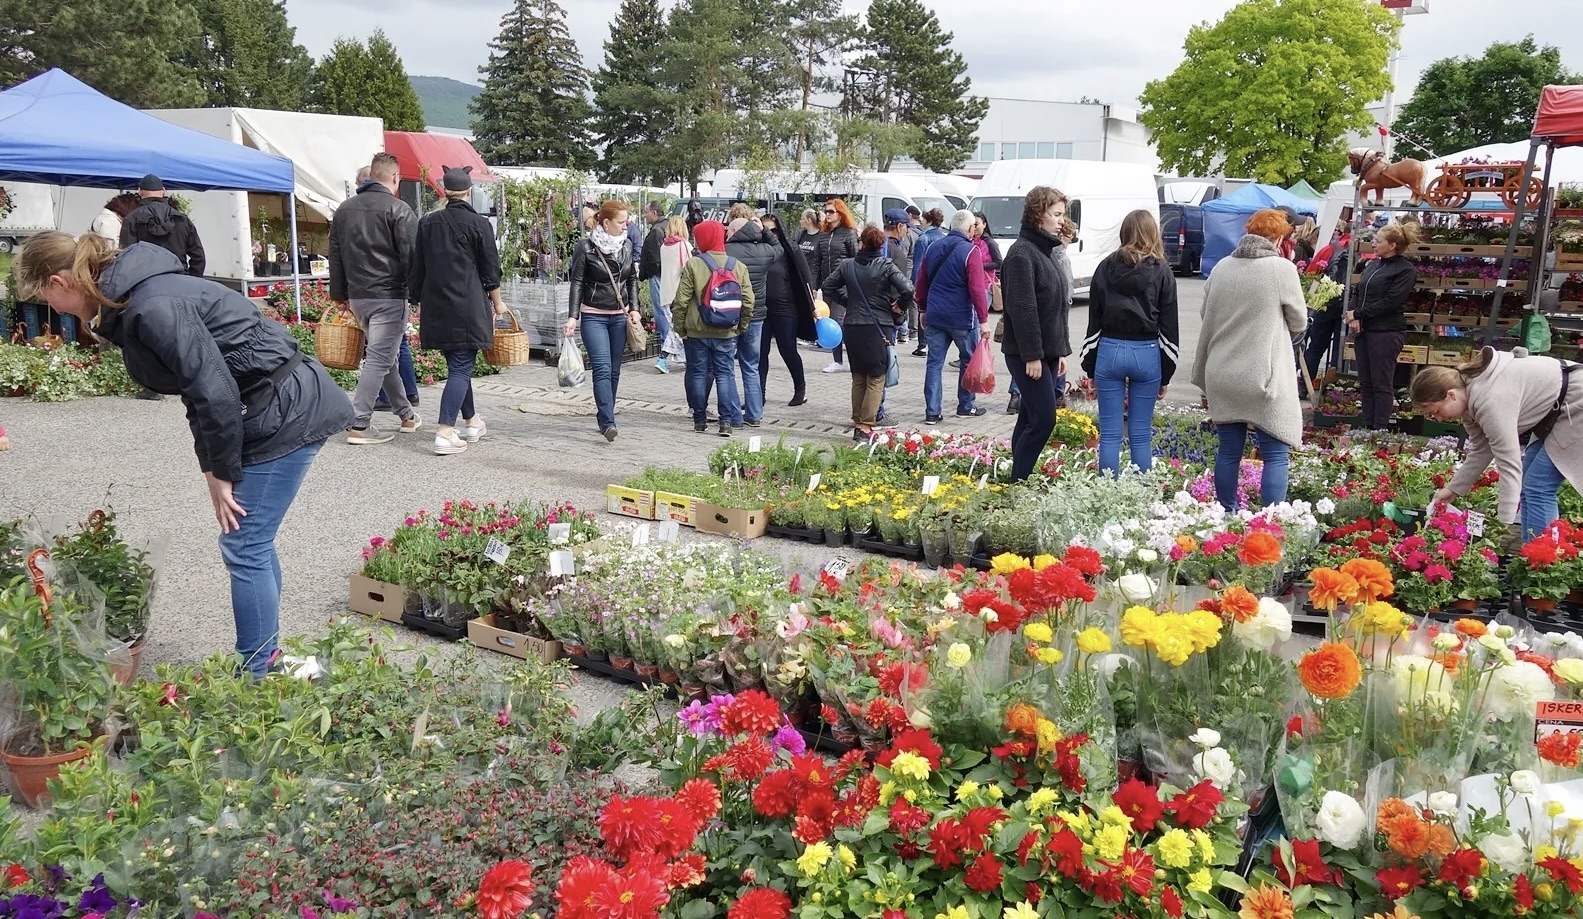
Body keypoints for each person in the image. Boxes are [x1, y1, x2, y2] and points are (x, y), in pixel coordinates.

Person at [17, 231, 353, 678]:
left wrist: (220, 470)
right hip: (262, 405)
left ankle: (255, 677)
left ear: (60, 282)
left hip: (286, 407)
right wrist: (213, 465)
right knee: (251, 541)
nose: (50, 308)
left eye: (44, 296)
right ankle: (266, 663)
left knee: (245, 544)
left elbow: (210, 390)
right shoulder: (131, 296)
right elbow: (197, 390)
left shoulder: (151, 305)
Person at [1192, 208, 1307, 511]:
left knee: (1228, 451)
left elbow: (1206, 313)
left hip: (1222, 372)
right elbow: (1299, 320)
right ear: (1280, 236)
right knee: (1275, 454)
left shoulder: (1221, 268)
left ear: (1248, 231)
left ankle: (1228, 513)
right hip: (1263, 377)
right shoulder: (1281, 269)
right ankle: (1269, 524)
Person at [1415, 348, 1583, 541]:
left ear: (1451, 395)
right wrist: (1453, 489)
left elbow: (1509, 462)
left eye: (1434, 410)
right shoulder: (1468, 399)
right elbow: (1481, 449)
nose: (1436, 418)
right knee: (1530, 485)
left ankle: (1541, 561)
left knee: (1538, 486)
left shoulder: (1490, 401)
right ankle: (1531, 555)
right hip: (1556, 411)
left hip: (1576, 406)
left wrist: (1503, 523)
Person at [409, 166, 508, 456]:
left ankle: (472, 422)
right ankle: (444, 432)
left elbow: (417, 268)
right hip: (467, 307)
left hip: (436, 306)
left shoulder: (427, 223)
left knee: (457, 366)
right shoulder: (479, 224)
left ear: (444, 193)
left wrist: (414, 300)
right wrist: (498, 302)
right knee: (462, 367)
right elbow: (491, 270)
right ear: (469, 192)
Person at [330, 152, 421, 445]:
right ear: (395, 177)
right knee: (380, 358)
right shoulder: (399, 209)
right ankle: (359, 423)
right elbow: (411, 257)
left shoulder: (344, 210)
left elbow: (336, 255)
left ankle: (406, 415)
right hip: (390, 295)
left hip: (359, 296)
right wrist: (417, 294)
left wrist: (339, 294)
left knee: (386, 358)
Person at [1082, 209, 1180, 477]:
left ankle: (1106, 496)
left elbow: (1094, 321)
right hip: (1146, 354)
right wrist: (1166, 373)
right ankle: (1141, 494)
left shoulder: (1104, 267)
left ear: (1123, 232)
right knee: (1140, 435)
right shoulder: (1163, 272)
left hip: (1109, 351)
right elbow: (1170, 327)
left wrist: (1090, 367)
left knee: (1110, 434)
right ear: (1153, 233)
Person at [998, 186, 1075, 481]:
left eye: (1062, 215)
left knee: (1029, 417)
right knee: (1044, 419)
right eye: (1055, 214)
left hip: (1046, 353)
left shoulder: (1045, 252)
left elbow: (1055, 306)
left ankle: (1017, 479)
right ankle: (1020, 480)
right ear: (1037, 214)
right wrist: (1032, 356)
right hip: (1026, 354)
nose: (1060, 221)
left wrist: (1058, 351)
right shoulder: (1022, 254)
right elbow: (1023, 310)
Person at [821, 225, 914, 441]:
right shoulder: (886, 265)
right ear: (881, 245)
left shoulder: (847, 265)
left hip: (852, 325)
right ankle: (865, 426)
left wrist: (848, 302)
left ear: (861, 242)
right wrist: (899, 306)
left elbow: (828, 286)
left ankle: (857, 419)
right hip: (878, 326)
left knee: (858, 376)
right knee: (876, 378)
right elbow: (908, 289)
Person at [563, 199, 639, 442]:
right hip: (594, 314)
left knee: (615, 370)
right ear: (605, 223)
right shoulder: (585, 247)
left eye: (626, 222)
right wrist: (573, 316)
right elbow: (576, 282)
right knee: (603, 368)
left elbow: (632, 280)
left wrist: (635, 308)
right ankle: (608, 422)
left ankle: (604, 413)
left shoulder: (626, 246)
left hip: (619, 316)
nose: (625, 227)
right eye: (620, 222)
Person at [674, 220, 754, 436]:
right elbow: (748, 301)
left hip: (697, 332)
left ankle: (700, 421)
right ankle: (725, 423)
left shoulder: (694, 264)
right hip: (726, 331)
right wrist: (741, 326)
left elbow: (681, 301)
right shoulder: (738, 266)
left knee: (698, 373)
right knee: (725, 374)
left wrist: (680, 327)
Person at [915, 209, 990, 424]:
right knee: (968, 359)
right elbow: (977, 288)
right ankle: (966, 406)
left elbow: (922, 281)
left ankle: (932, 412)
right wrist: (984, 320)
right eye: (973, 227)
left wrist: (922, 309)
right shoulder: (970, 251)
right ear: (969, 228)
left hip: (936, 315)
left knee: (934, 363)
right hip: (961, 317)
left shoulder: (932, 246)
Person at [1346, 221, 1418, 430]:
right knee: (1366, 382)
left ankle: (1379, 428)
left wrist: (1358, 313)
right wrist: (1354, 316)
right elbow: (1358, 291)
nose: (1373, 243)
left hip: (1386, 332)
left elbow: (1391, 301)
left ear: (1392, 245)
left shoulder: (1405, 270)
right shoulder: (1372, 265)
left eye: (1378, 240)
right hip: (1364, 331)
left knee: (1381, 383)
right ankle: (1366, 426)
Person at [758, 213, 816, 407]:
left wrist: (812, 306)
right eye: (765, 230)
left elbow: (805, 278)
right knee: (760, 352)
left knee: (788, 349)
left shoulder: (790, 248)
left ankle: (800, 389)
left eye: (773, 230)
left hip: (786, 307)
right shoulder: (758, 250)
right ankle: (759, 393)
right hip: (762, 308)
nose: (770, 235)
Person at [726, 214, 778, 428]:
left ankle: (733, 414)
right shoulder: (765, 251)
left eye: (729, 231)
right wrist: (764, 229)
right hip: (756, 316)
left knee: (727, 365)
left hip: (729, 315)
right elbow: (780, 247)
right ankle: (755, 414)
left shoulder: (726, 251)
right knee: (751, 365)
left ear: (735, 232)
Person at [121, 174, 206, 277]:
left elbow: (127, 258)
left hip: (145, 283)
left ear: (139, 192)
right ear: (164, 191)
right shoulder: (182, 219)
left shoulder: (131, 219)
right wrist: (192, 280)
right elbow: (198, 257)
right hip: (180, 280)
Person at [812, 199, 858, 373]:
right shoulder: (823, 235)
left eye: (831, 211)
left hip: (844, 285)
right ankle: (837, 361)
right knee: (830, 321)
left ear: (840, 213)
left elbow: (855, 258)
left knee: (840, 322)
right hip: (828, 286)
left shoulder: (849, 233)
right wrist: (814, 286)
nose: (828, 214)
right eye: (827, 211)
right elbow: (817, 261)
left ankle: (850, 359)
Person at [638, 200, 673, 373]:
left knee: (661, 312)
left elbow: (654, 259)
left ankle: (666, 348)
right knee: (666, 312)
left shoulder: (656, 231)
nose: (644, 216)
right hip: (666, 276)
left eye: (646, 212)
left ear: (655, 213)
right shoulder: (666, 227)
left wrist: (647, 273)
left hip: (658, 276)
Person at [910, 208, 948, 356]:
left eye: (923, 220)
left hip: (927, 280)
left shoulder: (923, 239)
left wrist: (915, 284)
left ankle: (922, 345)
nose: (921, 223)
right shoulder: (944, 238)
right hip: (942, 281)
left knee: (923, 309)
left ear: (929, 221)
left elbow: (918, 265)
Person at [657, 215, 692, 371]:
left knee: (675, 327)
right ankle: (662, 358)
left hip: (665, 292)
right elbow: (689, 268)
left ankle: (685, 360)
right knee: (678, 328)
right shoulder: (684, 245)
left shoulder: (664, 246)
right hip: (680, 293)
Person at [885, 209, 917, 343]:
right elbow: (902, 290)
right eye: (907, 227)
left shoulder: (868, 248)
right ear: (899, 227)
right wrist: (899, 317)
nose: (907, 231)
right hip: (886, 315)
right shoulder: (897, 255)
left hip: (863, 312)